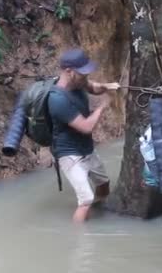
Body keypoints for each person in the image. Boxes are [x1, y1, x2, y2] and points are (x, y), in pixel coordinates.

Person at [47, 48, 120, 223]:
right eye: (83, 73)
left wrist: (106, 86)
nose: (86, 77)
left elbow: (93, 87)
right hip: (69, 154)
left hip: (86, 148)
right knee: (85, 199)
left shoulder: (78, 82)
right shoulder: (57, 99)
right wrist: (103, 105)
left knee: (103, 184)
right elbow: (86, 127)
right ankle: (81, 241)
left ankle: (100, 216)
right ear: (69, 71)